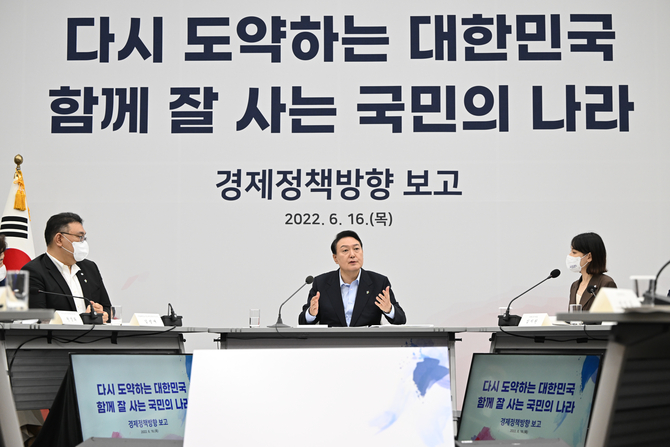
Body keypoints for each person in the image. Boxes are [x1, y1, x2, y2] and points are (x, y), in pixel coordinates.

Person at [299, 230, 406, 327]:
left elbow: (401, 319)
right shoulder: (321, 283)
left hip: (367, 341)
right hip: (332, 341)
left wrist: (389, 309)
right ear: (335, 258)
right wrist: (311, 314)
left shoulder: (378, 282)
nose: (352, 255)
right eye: (345, 250)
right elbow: (302, 321)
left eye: (356, 249)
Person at [23, 212, 111, 322]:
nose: (83, 242)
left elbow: (107, 308)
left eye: (84, 237)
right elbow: (38, 319)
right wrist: (85, 319)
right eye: (80, 237)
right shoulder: (33, 272)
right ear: (59, 239)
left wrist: (103, 313)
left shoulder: (90, 268)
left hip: (95, 334)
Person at [566, 232, 616, 311]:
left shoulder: (606, 283)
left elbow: (610, 315)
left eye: (574, 252)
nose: (569, 255)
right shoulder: (575, 285)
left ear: (589, 257)